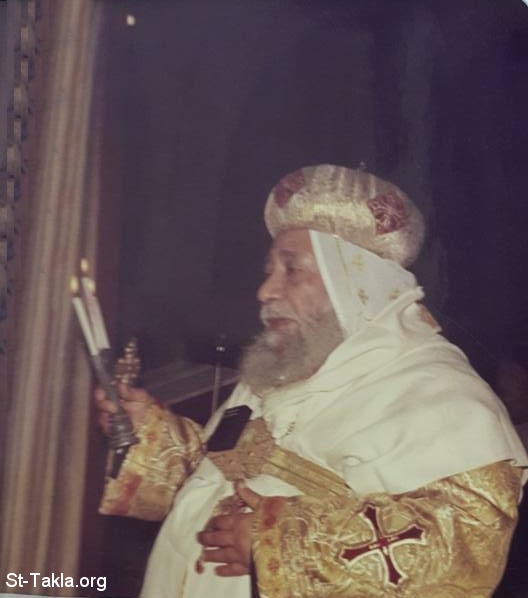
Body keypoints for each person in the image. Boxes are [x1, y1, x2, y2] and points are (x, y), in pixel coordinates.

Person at [96, 164, 528, 598]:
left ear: (354, 282)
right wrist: (149, 435)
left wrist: (277, 544)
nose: (265, 291)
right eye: (269, 270)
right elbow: (220, 480)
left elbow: (458, 552)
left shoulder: (445, 399)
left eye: (291, 270)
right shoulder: (284, 369)